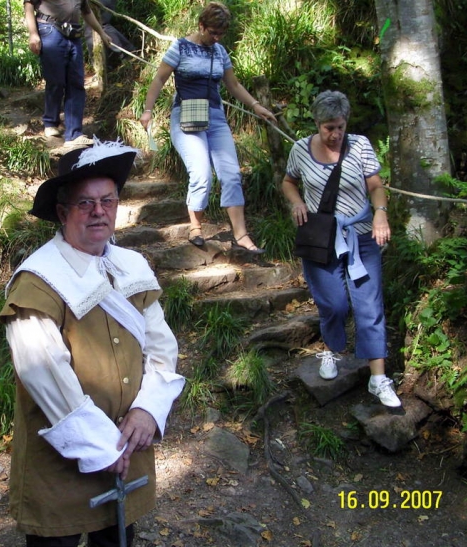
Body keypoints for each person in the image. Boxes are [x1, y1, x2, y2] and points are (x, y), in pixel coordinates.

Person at [0, 139, 186, 546]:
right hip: (63, 463)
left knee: (117, 538)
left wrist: (147, 412)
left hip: (127, 444)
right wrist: (104, 448)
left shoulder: (132, 267)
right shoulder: (38, 281)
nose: (99, 212)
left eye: (108, 201)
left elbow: (161, 348)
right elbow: (42, 370)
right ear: (63, 213)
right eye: (85, 203)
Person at [281, 90, 401, 408]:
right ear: (317, 124)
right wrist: (296, 203)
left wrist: (380, 214)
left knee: (369, 306)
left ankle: (378, 378)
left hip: (361, 235)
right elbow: (289, 182)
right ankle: (332, 351)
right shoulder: (300, 150)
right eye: (328, 128)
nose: (335, 134)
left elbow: (375, 184)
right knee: (333, 305)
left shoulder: (360, 145)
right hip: (321, 237)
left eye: (340, 127)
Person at [139, 2, 276, 252]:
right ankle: (195, 227)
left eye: (220, 34)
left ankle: (241, 234)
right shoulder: (180, 46)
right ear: (201, 25)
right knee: (201, 173)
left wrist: (256, 106)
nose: (216, 37)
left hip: (215, 117)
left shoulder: (220, 51)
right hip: (186, 115)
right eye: (213, 32)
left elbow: (233, 85)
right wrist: (148, 110)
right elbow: (159, 78)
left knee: (231, 173)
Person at [24, 0, 113, 148]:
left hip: (74, 33)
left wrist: (102, 33)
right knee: (56, 80)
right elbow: (28, 4)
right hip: (49, 29)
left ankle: (74, 134)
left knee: (77, 83)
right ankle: (50, 122)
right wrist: (33, 33)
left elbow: (86, 11)